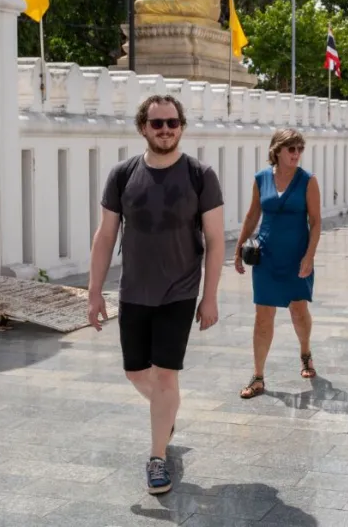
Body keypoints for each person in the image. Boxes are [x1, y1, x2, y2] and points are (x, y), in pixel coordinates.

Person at [87, 94, 225, 495]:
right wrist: (94, 291)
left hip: (179, 291)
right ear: (143, 127)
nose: (165, 130)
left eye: (172, 123)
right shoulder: (122, 175)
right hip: (134, 291)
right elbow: (106, 235)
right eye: (157, 123)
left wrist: (210, 296)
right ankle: (165, 413)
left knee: (166, 375)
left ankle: (157, 458)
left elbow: (215, 241)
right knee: (135, 372)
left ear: (181, 126)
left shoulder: (201, 175)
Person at [234, 128, 322, 399]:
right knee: (263, 317)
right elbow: (251, 216)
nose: (296, 154)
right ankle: (258, 376)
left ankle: (305, 352)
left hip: (297, 257)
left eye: (299, 149)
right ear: (277, 151)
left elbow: (316, 222)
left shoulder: (308, 181)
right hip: (267, 257)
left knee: (298, 309)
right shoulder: (262, 179)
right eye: (291, 149)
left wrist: (309, 256)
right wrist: (238, 249)